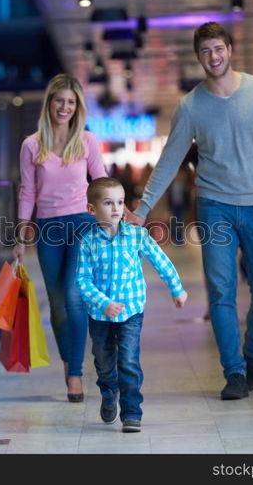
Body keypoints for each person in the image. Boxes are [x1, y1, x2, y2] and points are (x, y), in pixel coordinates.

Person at [125, 22, 253, 400]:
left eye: (218, 48)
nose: (214, 56)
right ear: (199, 57)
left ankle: (252, 350)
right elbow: (168, 160)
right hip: (214, 208)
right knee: (221, 292)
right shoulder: (191, 105)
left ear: (230, 49)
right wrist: (142, 209)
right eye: (206, 51)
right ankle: (234, 372)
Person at [12, 73, 109, 402]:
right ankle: (69, 364)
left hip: (83, 225)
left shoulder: (86, 141)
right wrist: (22, 233)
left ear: (77, 106)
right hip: (49, 230)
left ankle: (76, 374)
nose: (64, 107)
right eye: (59, 101)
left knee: (73, 295)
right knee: (56, 303)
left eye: (71, 102)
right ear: (49, 102)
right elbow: (27, 191)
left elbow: (102, 182)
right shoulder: (31, 145)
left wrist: (111, 220)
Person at [76, 177, 187, 432]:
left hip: (131, 311)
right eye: (108, 203)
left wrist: (177, 289)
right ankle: (108, 390)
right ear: (92, 210)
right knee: (104, 362)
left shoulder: (137, 235)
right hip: (100, 315)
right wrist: (103, 303)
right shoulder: (88, 243)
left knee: (128, 359)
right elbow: (82, 280)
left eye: (120, 202)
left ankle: (131, 412)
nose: (116, 208)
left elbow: (161, 261)